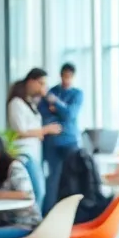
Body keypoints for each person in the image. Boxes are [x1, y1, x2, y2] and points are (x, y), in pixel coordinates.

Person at [7, 69, 61, 212]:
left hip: (34, 153)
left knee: (38, 192)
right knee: (37, 191)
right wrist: (45, 130)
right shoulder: (16, 103)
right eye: (41, 83)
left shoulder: (30, 103)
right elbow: (20, 131)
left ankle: (34, 225)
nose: (43, 88)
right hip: (25, 153)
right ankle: (32, 225)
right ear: (31, 81)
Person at [40, 62, 84, 212]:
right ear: (61, 76)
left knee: (72, 177)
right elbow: (44, 114)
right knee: (53, 178)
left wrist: (56, 105)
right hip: (52, 141)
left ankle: (74, 212)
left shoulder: (77, 94)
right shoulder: (51, 91)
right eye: (64, 76)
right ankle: (48, 213)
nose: (67, 80)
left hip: (70, 141)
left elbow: (70, 115)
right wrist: (61, 109)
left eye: (69, 77)